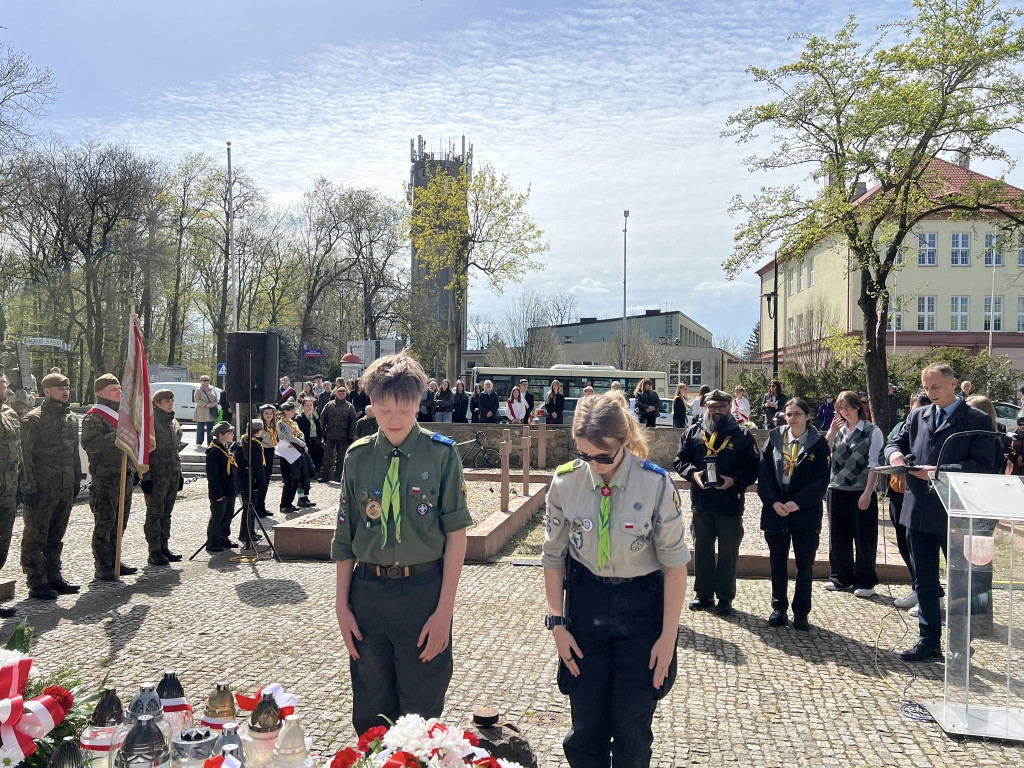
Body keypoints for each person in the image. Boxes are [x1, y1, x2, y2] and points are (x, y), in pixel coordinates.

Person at [542, 393, 689, 766]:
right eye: (584, 455)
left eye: (603, 456)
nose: (594, 465)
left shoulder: (654, 484)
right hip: (587, 608)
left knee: (632, 732)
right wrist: (557, 623)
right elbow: (553, 557)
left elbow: (675, 568)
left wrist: (668, 639)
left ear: (624, 441)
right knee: (585, 730)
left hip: (641, 613)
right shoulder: (565, 483)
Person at [332, 353, 473, 734]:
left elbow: (457, 535)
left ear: (419, 402)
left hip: (422, 594)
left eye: (405, 408)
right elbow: (345, 537)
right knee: (370, 712)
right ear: (371, 404)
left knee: (421, 713)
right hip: (369, 594)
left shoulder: (442, 454)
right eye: (385, 407)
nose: (395, 418)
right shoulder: (357, 458)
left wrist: (445, 611)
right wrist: (342, 606)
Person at [674, 389, 759, 616]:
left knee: (728, 551)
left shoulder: (741, 435)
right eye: (712, 406)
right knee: (702, 549)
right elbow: (680, 460)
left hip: (730, 503)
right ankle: (703, 595)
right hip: (701, 502)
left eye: (721, 407)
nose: (717, 411)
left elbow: (753, 467)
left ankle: (725, 598)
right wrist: (693, 474)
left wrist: (735, 480)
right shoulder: (693, 432)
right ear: (706, 407)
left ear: (730, 407)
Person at [757, 398, 830, 630]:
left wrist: (798, 503)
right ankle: (779, 608)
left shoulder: (818, 444)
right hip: (777, 508)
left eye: (797, 414)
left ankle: (801, 612)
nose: (792, 418)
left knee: (804, 564)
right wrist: (773, 502)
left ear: (807, 416)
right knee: (777, 562)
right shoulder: (775, 438)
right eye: (789, 414)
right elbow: (765, 472)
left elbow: (821, 480)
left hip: (804, 511)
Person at [18, 372, 83, 600]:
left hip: (64, 487)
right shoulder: (33, 419)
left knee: (56, 535)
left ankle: (54, 576)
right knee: (36, 535)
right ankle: (36, 581)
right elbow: (24, 455)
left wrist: (76, 480)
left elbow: (73, 452)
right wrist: (28, 487)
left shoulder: (71, 418)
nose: (65, 392)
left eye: (67, 388)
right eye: (59, 388)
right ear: (46, 391)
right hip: (41, 489)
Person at [823, 390, 882, 598]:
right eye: (840, 408)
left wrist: (868, 492)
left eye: (848, 407)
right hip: (836, 489)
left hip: (860, 490)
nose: (845, 411)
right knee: (838, 537)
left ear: (858, 407)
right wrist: (830, 431)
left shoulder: (871, 431)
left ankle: (866, 581)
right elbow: (823, 452)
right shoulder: (837, 430)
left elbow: (874, 465)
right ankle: (841, 578)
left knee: (864, 537)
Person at [82, 374, 138, 582]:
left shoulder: (122, 415)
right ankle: (102, 564)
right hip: (105, 477)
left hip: (124, 475)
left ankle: (116, 560)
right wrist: (118, 436)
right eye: (114, 389)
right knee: (105, 522)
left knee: (120, 522)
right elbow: (90, 443)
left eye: (119, 389)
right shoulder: (94, 416)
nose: (119, 392)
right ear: (100, 393)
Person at [883, 391, 931, 611]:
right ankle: (916, 587)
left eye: (921, 409)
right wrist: (893, 454)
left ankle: (931, 593)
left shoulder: (930, 428)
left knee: (919, 547)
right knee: (903, 542)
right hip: (897, 490)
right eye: (913, 409)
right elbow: (890, 445)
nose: (916, 413)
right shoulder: (902, 426)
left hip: (920, 493)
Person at [141, 389, 184, 566]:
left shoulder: (173, 422)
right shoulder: (150, 423)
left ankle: (164, 546)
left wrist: (179, 474)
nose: (170, 403)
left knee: (167, 513)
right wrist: (145, 476)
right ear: (156, 403)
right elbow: (143, 452)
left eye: (172, 400)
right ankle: (154, 550)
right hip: (157, 474)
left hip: (172, 472)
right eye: (166, 401)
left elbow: (176, 450)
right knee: (155, 513)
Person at [0, 373, 23, 615]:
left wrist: (23, 484)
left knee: (2, 544)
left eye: (4, 382)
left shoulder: (8, 411)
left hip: (8, 490)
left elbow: (19, 452)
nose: (3, 386)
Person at [205, 421, 239, 553]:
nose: (232, 435)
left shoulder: (226, 448)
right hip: (220, 491)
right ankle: (213, 542)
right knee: (217, 516)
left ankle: (224, 538)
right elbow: (213, 476)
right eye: (229, 433)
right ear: (221, 435)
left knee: (228, 515)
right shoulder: (214, 451)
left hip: (229, 489)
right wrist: (217, 493)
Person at [277, 401, 316, 511]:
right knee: (290, 478)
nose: (294, 412)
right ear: (285, 411)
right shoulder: (281, 423)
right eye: (291, 410)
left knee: (300, 476)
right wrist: (303, 444)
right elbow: (289, 437)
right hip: (287, 451)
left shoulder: (293, 422)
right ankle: (285, 504)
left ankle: (297, 500)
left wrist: (301, 442)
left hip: (297, 451)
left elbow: (300, 433)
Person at [234, 420, 267, 546]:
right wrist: (261, 482)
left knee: (249, 506)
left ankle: (250, 531)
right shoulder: (255, 445)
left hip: (244, 478)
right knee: (249, 506)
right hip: (251, 480)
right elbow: (258, 466)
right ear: (258, 431)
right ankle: (246, 533)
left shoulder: (243, 442)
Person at [321, 386, 357, 483]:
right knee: (327, 456)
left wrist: (350, 436)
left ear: (346, 394)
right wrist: (323, 433)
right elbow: (323, 419)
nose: (341, 393)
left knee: (341, 457)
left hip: (343, 437)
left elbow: (353, 422)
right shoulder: (329, 405)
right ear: (335, 393)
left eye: (343, 392)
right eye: (339, 392)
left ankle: (338, 476)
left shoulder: (349, 406)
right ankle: (325, 476)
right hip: (330, 435)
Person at [257, 404, 278, 516]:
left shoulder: (274, 425)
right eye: (266, 414)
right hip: (262, 452)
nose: (269, 416)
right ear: (262, 414)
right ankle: (258, 506)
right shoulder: (259, 426)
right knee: (261, 481)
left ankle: (262, 506)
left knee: (266, 481)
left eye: (270, 413)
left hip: (271, 451)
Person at [297, 396, 326, 478]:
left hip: (315, 440)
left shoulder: (315, 418)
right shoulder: (299, 418)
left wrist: (320, 439)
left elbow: (319, 430)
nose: (309, 407)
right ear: (303, 407)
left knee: (319, 451)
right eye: (307, 405)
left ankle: (316, 471)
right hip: (306, 441)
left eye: (311, 405)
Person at [194, 375, 218, 447]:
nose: (207, 382)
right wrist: (205, 404)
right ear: (201, 381)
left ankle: (210, 442)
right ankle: (199, 442)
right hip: (201, 411)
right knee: (200, 427)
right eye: (205, 380)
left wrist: (214, 404)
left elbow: (216, 399)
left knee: (210, 427)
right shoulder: (198, 390)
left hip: (210, 411)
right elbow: (196, 400)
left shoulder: (212, 389)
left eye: (208, 380)